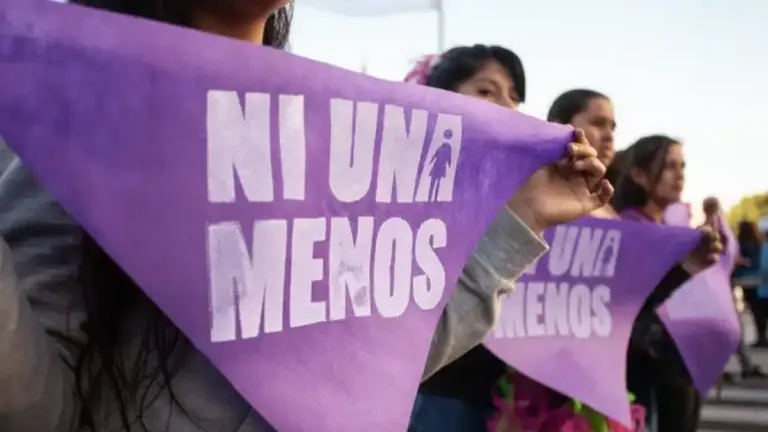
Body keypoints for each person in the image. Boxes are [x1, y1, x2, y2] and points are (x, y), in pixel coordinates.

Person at [0, 12, 613, 431]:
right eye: (487, 91)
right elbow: (39, 407)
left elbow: (373, 365)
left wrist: (522, 218)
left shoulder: (334, 139)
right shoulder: (80, 118)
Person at [613, 135, 720, 432]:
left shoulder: (669, 230)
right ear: (639, 174)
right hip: (646, 370)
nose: (680, 175)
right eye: (670, 166)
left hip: (678, 365)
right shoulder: (628, 228)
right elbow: (633, 300)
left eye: (682, 166)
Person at [734, 220, 767, 347]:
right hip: (757, 279)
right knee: (760, 307)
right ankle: (762, 336)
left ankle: (761, 337)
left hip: (744, 279)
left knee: (755, 309)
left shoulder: (740, 243)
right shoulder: (758, 243)